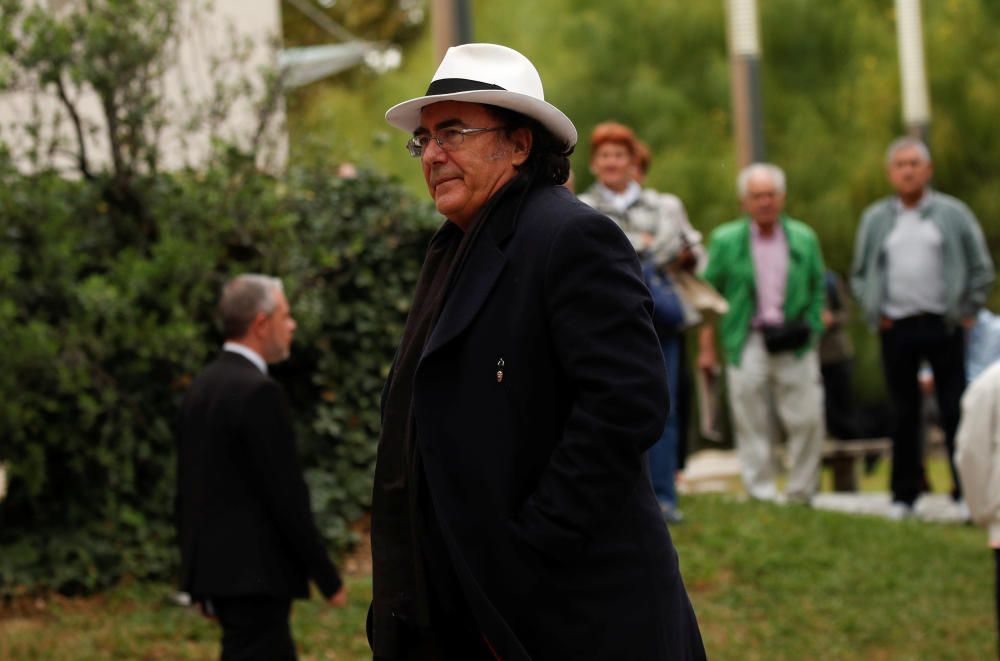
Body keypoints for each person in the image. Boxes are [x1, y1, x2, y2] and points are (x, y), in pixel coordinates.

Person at [372, 43, 705, 660]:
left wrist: (530, 547)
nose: (433, 154)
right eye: (424, 140)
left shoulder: (572, 235)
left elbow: (626, 405)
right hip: (469, 610)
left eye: (454, 132)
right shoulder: (452, 247)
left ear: (521, 144)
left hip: (568, 612)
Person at [175, 274, 346, 660]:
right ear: (260, 323)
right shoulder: (258, 393)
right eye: (286, 316)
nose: (293, 325)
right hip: (257, 578)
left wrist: (196, 576)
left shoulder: (201, 387)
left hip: (222, 577)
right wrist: (327, 576)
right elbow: (286, 495)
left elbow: (188, 490)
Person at [851, 136, 994, 518]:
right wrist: (873, 309)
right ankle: (904, 496)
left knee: (954, 410)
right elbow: (860, 274)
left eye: (915, 163)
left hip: (943, 324)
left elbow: (980, 268)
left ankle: (966, 494)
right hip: (895, 326)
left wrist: (967, 309)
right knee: (903, 413)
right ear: (890, 173)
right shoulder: (877, 218)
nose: (908, 170)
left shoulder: (953, 214)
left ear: (928, 169)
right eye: (901, 164)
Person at [578, 122, 705, 523]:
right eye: (605, 156)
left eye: (620, 155)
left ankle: (664, 498)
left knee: (662, 409)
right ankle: (618, 499)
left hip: (660, 319)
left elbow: (696, 252)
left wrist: (676, 256)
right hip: (605, 322)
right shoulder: (581, 206)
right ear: (595, 164)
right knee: (609, 408)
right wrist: (644, 249)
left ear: (635, 163)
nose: (613, 162)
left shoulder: (666, 205)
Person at [699, 163, 826, 504]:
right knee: (750, 416)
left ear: (782, 198)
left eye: (770, 195)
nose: (765, 202)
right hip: (748, 337)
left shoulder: (803, 237)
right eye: (757, 196)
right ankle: (761, 491)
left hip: (794, 337)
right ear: (744, 202)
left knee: (807, 417)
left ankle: (801, 491)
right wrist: (708, 345)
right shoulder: (726, 240)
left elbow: (818, 286)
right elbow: (708, 294)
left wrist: (813, 326)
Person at [953, 360, 1000, 651]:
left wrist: (984, 511)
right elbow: (971, 454)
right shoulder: (990, 385)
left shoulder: (990, 383)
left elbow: (970, 455)